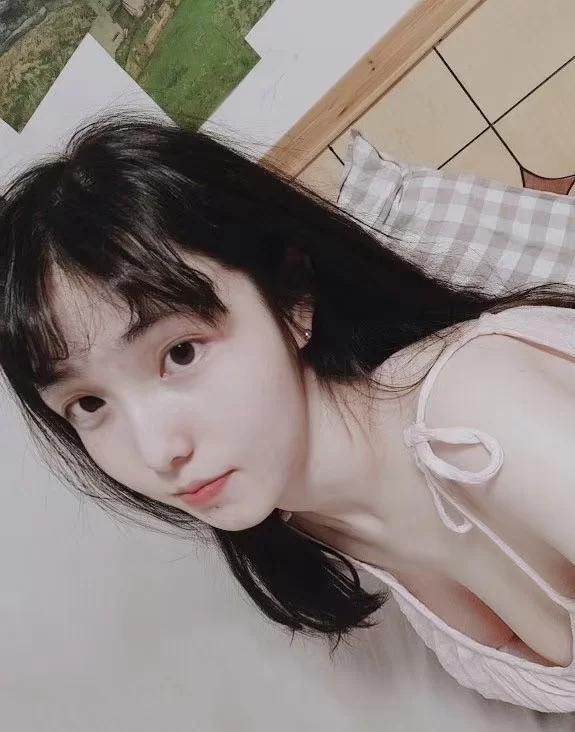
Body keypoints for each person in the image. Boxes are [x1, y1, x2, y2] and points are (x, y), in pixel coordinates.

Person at [1, 115, 575, 714]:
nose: (156, 452)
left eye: (181, 352)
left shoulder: (482, 414)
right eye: (88, 404)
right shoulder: (306, 520)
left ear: (293, 298)